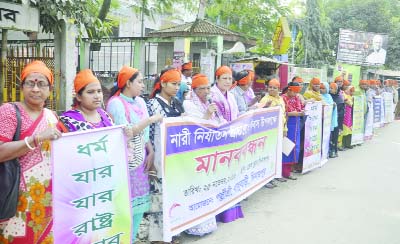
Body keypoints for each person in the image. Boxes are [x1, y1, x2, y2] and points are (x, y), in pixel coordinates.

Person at [0, 61, 62, 243]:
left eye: (41, 84)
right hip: (16, 197)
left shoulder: (52, 116)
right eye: (30, 83)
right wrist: (36, 139)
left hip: (47, 198)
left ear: (50, 90)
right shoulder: (10, 112)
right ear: (22, 87)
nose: (35, 89)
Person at [106, 66, 163, 242]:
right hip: (126, 162)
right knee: (125, 205)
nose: (143, 85)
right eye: (139, 81)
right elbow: (127, 133)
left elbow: (143, 135)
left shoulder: (139, 101)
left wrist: (151, 151)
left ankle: (131, 238)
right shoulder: (115, 103)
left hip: (141, 159)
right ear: (128, 83)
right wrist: (150, 120)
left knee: (139, 204)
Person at [146, 67, 184, 243]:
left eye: (178, 84)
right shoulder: (153, 104)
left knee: (172, 194)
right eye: (173, 84)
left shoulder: (176, 102)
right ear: (163, 84)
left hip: (174, 157)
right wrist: (151, 157)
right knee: (157, 197)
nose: (177, 87)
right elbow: (150, 132)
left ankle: (172, 230)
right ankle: (158, 237)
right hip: (159, 156)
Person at [182, 73, 218, 236]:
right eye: (201, 88)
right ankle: (194, 227)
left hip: (210, 150)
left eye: (207, 88)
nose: (205, 91)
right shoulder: (188, 104)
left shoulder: (210, 102)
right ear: (194, 90)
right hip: (196, 151)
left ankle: (208, 223)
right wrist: (208, 115)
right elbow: (196, 126)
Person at [210, 66, 243, 222]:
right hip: (218, 140)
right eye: (224, 78)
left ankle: (229, 211)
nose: (228, 81)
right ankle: (218, 212)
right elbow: (217, 119)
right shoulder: (212, 95)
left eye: (230, 79)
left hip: (231, 138)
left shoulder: (231, 96)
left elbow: (235, 115)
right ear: (217, 79)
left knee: (230, 175)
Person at [281, 82, 304, 180]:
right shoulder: (282, 98)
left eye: (297, 92)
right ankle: (284, 172)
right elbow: (281, 112)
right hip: (287, 125)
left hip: (296, 125)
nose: (296, 95)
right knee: (286, 148)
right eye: (294, 92)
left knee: (295, 147)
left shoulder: (297, 98)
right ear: (289, 90)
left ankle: (289, 170)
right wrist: (291, 114)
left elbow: (300, 108)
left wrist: (301, 112)